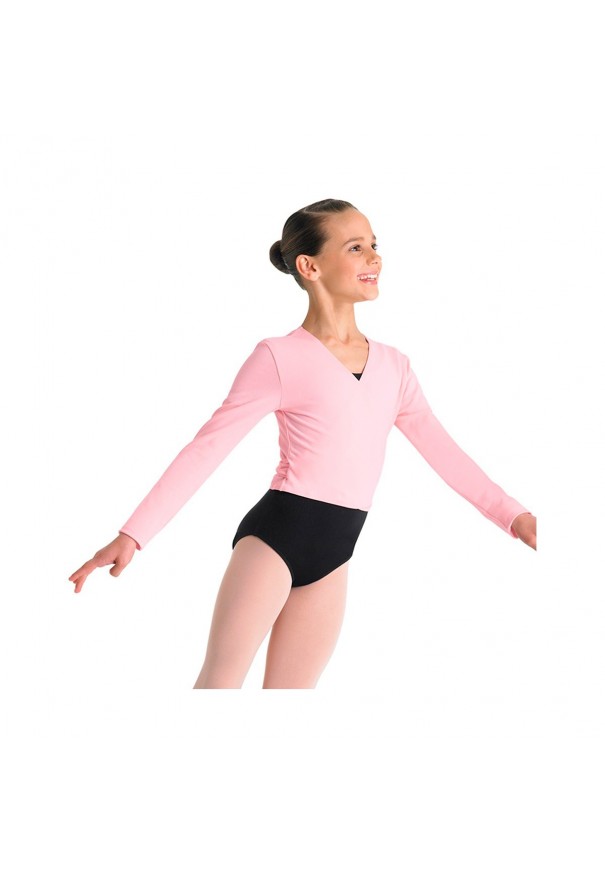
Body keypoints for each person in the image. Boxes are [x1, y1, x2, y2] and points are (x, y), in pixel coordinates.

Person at [68, 198, 537, 689]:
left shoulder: (395, 367)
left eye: (374, 245)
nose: (374, 257)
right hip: (275, 539)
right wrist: (133, 535)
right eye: (355, 247)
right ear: (309, 266)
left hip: (336, 552)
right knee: (220, 684)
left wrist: (515, 516)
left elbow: (446, 454)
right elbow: (206, 449)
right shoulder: (279, 357)